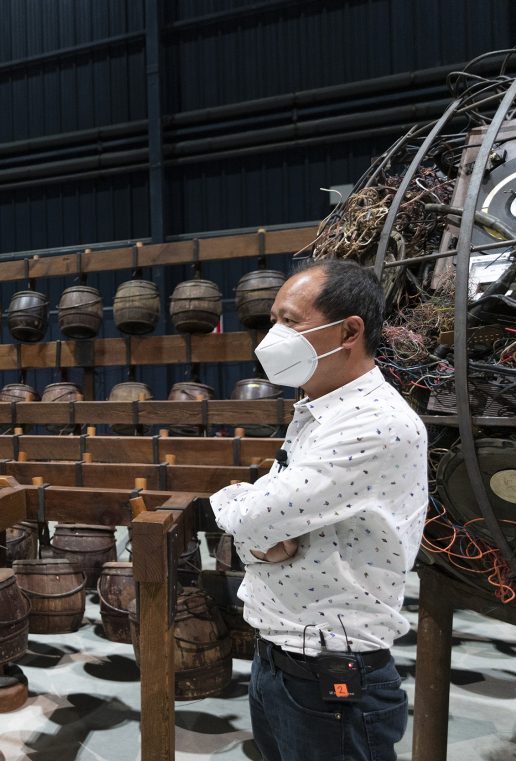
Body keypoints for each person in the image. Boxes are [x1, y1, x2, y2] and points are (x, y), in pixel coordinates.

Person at [209, 259, 427, 761]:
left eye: (289, 320)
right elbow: (266, 516)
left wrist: (239, 511)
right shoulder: (318, 409)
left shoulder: (372, 422)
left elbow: (253, 517)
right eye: (272, 320)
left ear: (349, 331)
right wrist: (260, 536)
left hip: (330, 671)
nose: (272, 336)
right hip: (283, 656)